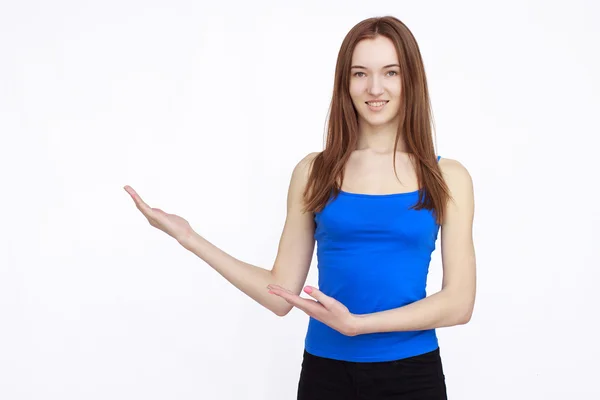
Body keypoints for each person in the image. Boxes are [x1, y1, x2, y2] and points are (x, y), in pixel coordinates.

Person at [124, 15, 476, 400]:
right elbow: (280, 295)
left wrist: (358, 325)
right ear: (345, 82)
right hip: (327, 376)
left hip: (412, 376)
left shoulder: (448, 176)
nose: (375, 87)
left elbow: (459, 302)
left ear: (410, 79)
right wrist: (190, 238)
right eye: (360, 74)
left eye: (390, 72)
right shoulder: (313, 172)